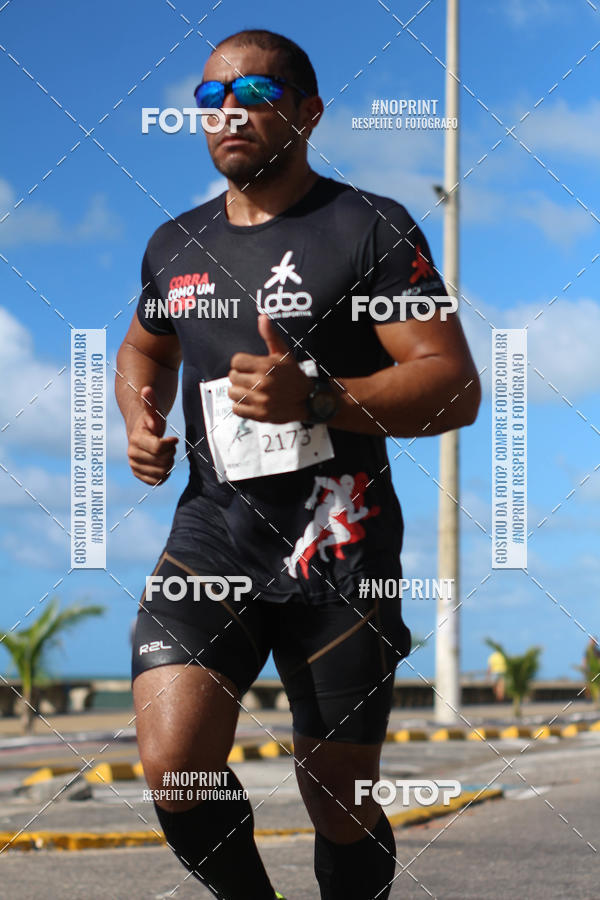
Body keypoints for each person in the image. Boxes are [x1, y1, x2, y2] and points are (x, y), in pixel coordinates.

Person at [115, 28, 481, 900]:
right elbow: (142, 349)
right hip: (215, 537)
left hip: (339, 548)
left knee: (338, 802)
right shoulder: (175, 245)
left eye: (256, 93)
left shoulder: (371, 227)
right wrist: (141, 416)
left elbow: (452, 386)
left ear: (308, 112)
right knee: (175, 767)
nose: (230, 111)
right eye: (211, 97)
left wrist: (317, 396)